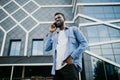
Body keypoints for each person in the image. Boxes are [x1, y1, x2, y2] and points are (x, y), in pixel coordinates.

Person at [44, 12, 88, 80]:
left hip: (69, 66)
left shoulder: (73, 29)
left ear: (64, 19)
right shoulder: (55, 37)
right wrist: (50, 32)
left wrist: (72, 57)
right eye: (55, 19)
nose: (57, 19)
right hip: (56, 70)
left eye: (59, 17)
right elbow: (46, 48)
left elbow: (84, 44)